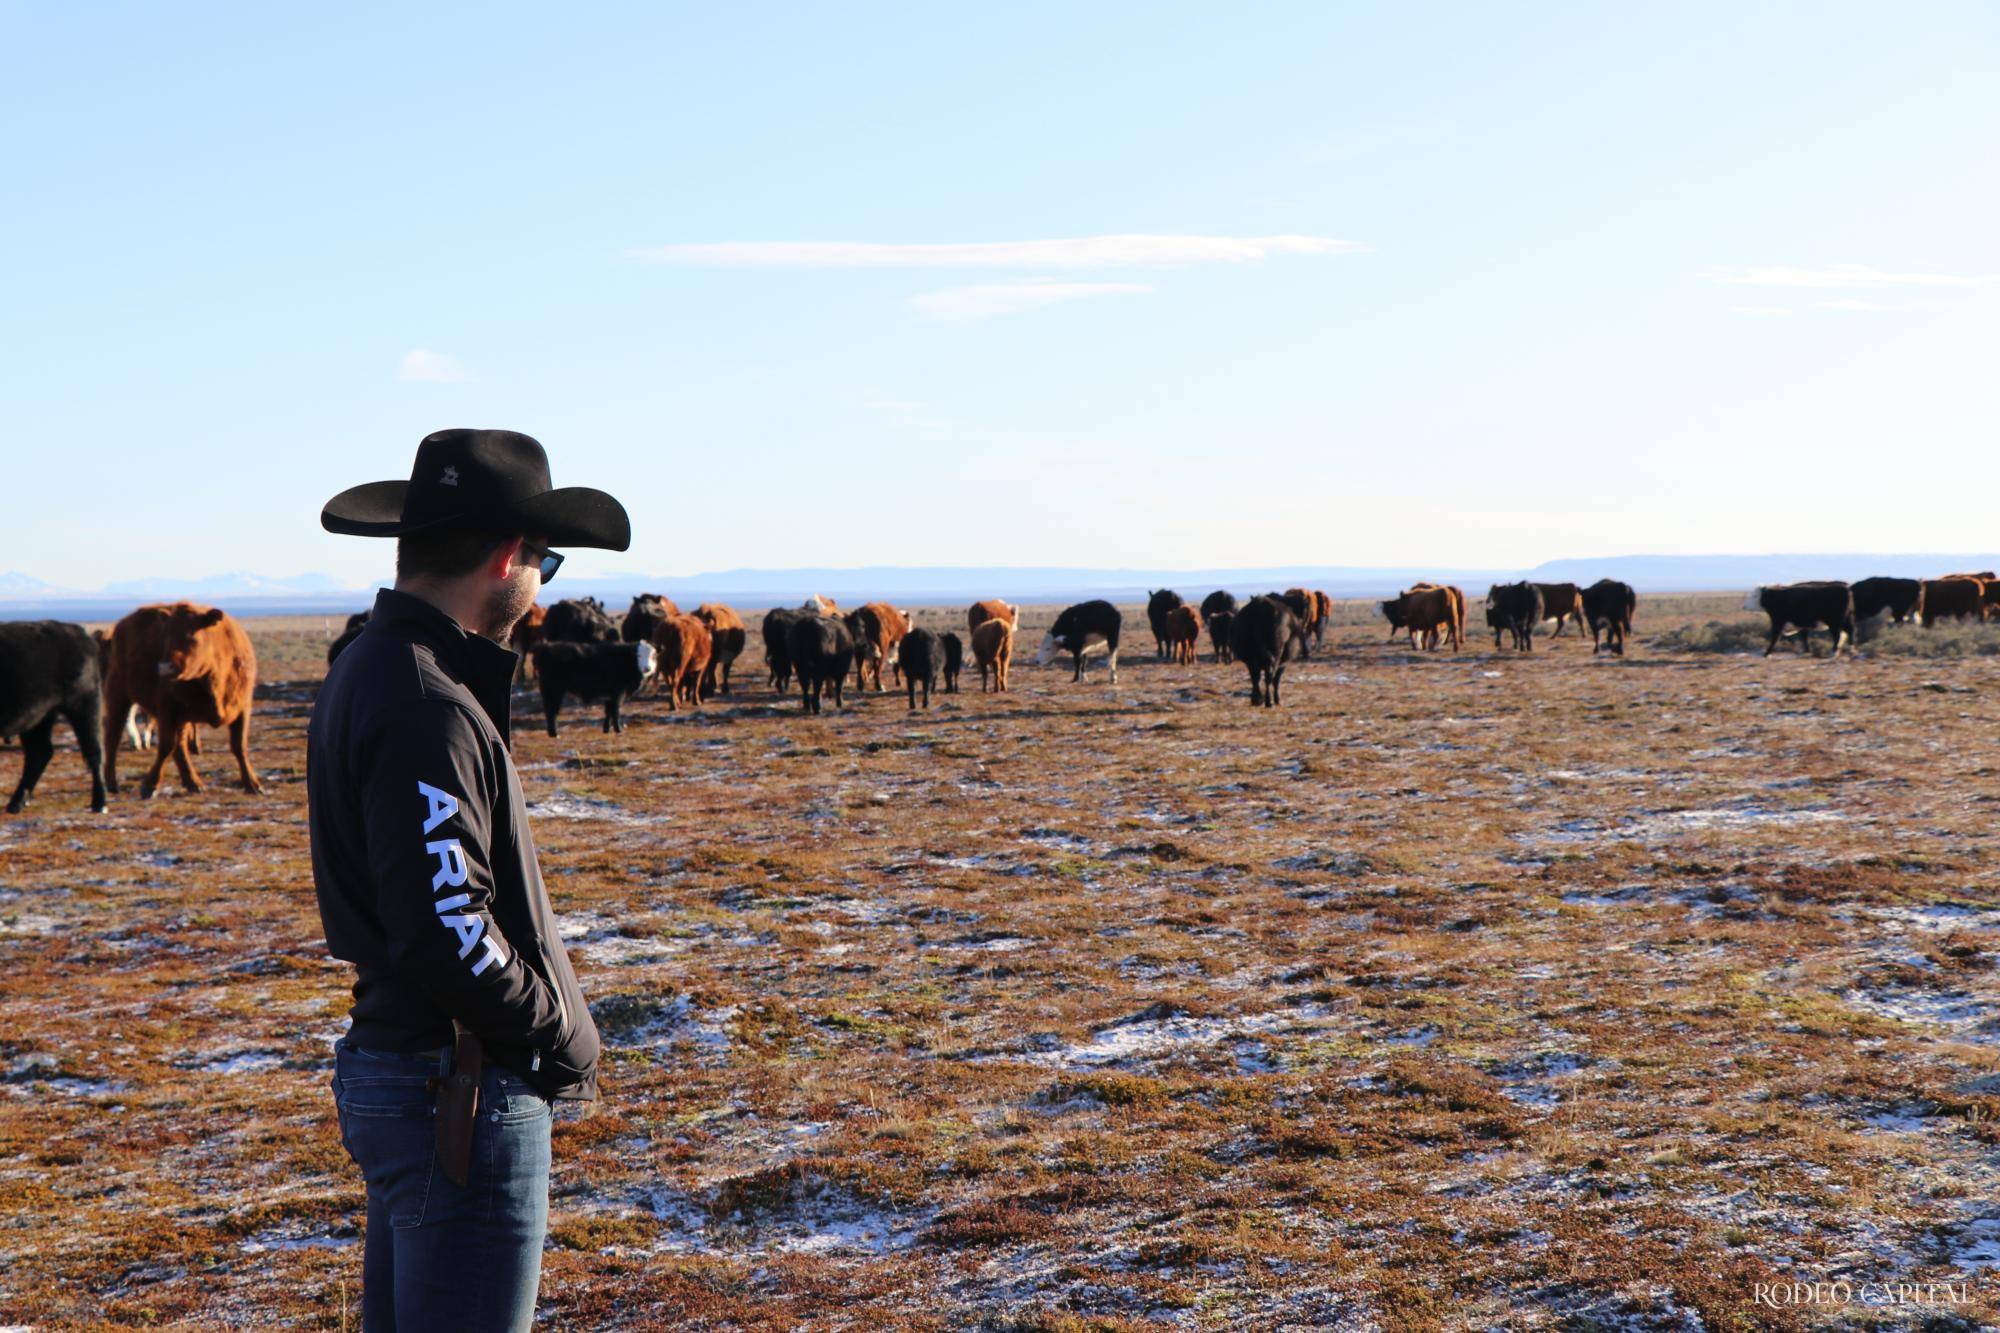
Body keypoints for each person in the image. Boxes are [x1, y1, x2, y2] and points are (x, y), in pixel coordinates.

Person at [309, 429, 631, 1330]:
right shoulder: (425, 705)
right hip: (458, 1085)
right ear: (506, 558)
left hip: (413, 1068)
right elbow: (446, 925)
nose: (542, 586)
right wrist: (555, 1029)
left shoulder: (370, 670)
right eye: (547, 561)